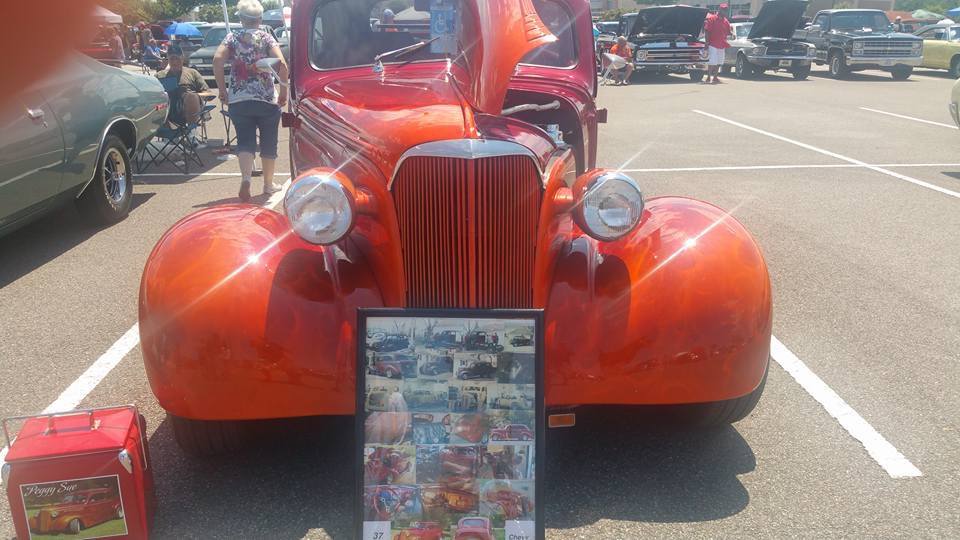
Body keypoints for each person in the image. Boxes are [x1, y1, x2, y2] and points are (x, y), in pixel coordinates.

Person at [213, 0, 289, 201]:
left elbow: (217, 60)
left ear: (240, 18)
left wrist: (222, 90)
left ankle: (246, 178)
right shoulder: (266, 38)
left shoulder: (232, 37)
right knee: (268, 142)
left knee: (245, 140)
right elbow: (281, 64)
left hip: (239, 99)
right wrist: (283, 91)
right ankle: (268, 184)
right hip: (265, 98)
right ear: (260, 19)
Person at [703, 3, 731, 84]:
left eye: (726, 10)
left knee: (719, 62)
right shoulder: (712, 18)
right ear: (719, 9)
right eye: (723, 10)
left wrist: (732, 33)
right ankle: (708, 77)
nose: (725, 11)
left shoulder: (725, 21)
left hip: (722, 44)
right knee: (712, 62)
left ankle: (715, 77)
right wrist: (707, 42)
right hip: (713, 44)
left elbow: (729, 31)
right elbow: (707, 31)